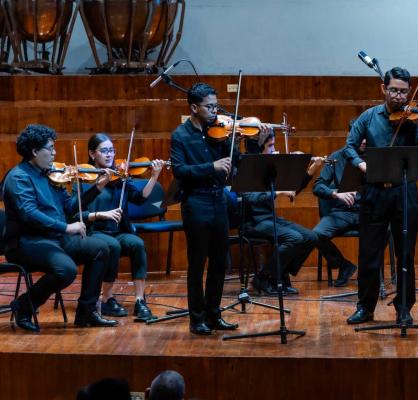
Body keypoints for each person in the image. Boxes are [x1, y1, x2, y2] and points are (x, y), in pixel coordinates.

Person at [3, 124, 117, 331]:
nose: (55, 152)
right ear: (35, 151)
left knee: (100, 248)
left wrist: (98, 187)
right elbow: (29, 214)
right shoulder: (18, 177)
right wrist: (66, 228)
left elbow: (71, 207)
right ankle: (24, 306)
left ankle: (86, 313)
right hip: (25, 242)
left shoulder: (50, 175)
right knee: (65, 270)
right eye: (51, 148)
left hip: (52, 238)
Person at [344, 67, 418, 325]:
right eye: (394, 90)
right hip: (374, 193)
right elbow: (349, 146)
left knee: (406, 254)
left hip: (404, 192)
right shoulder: (369, 117)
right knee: (369, 254)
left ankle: (404, 308)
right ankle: (366, 307)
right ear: (384, 89)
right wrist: (362, 165)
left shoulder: (413, 118)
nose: (399, 97)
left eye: (404, 92)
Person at [171, 82, 248, 335]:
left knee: (219, 262)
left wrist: (239, 141)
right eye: (210, 106)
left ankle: (214, 314)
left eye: (216, 105)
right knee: (197, 263)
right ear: (194, 107)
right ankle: (197, 318)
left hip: (218, 200)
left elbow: (235, 161)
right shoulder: (180, 136)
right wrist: (211, 167)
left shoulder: (219, 132)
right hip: (195, 202)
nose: (215, 111)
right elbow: (180, 171)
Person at [78, 133, 166, 321]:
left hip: (118, 231)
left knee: (137, 244)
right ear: (93, 155)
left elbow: (140, 198)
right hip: (94, 233)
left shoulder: (121, 178)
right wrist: (100, 191)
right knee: (113, 246)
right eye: (104, 151)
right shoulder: (84, 180)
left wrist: (154, 176)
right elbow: (76, 210)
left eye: (112, 150)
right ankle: (107, 298)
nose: (109, 155)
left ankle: (140, 300)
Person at [243, 131, 322, 296]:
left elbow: (291, 191)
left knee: (311, 237)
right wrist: (278, 192)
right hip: (253, 222)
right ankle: (264, 278)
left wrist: (310, 171)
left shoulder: (270, 168)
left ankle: (277, 276)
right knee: (294, 238)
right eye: (270, 146)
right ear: (259, 148)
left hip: (269, 219)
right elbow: (250, 198)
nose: (274, 149)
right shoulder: (248, 167)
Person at [311, 138, 366, 287]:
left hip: (368, 211)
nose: (365, 141)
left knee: (383, 230)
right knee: (316, 235)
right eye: (361, 137)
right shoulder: (336, 157)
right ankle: (343, 265)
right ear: (352, 136)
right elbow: (318, 187)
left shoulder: (374, 155)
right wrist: (335, 194)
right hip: (342, 212)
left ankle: (370, 274)